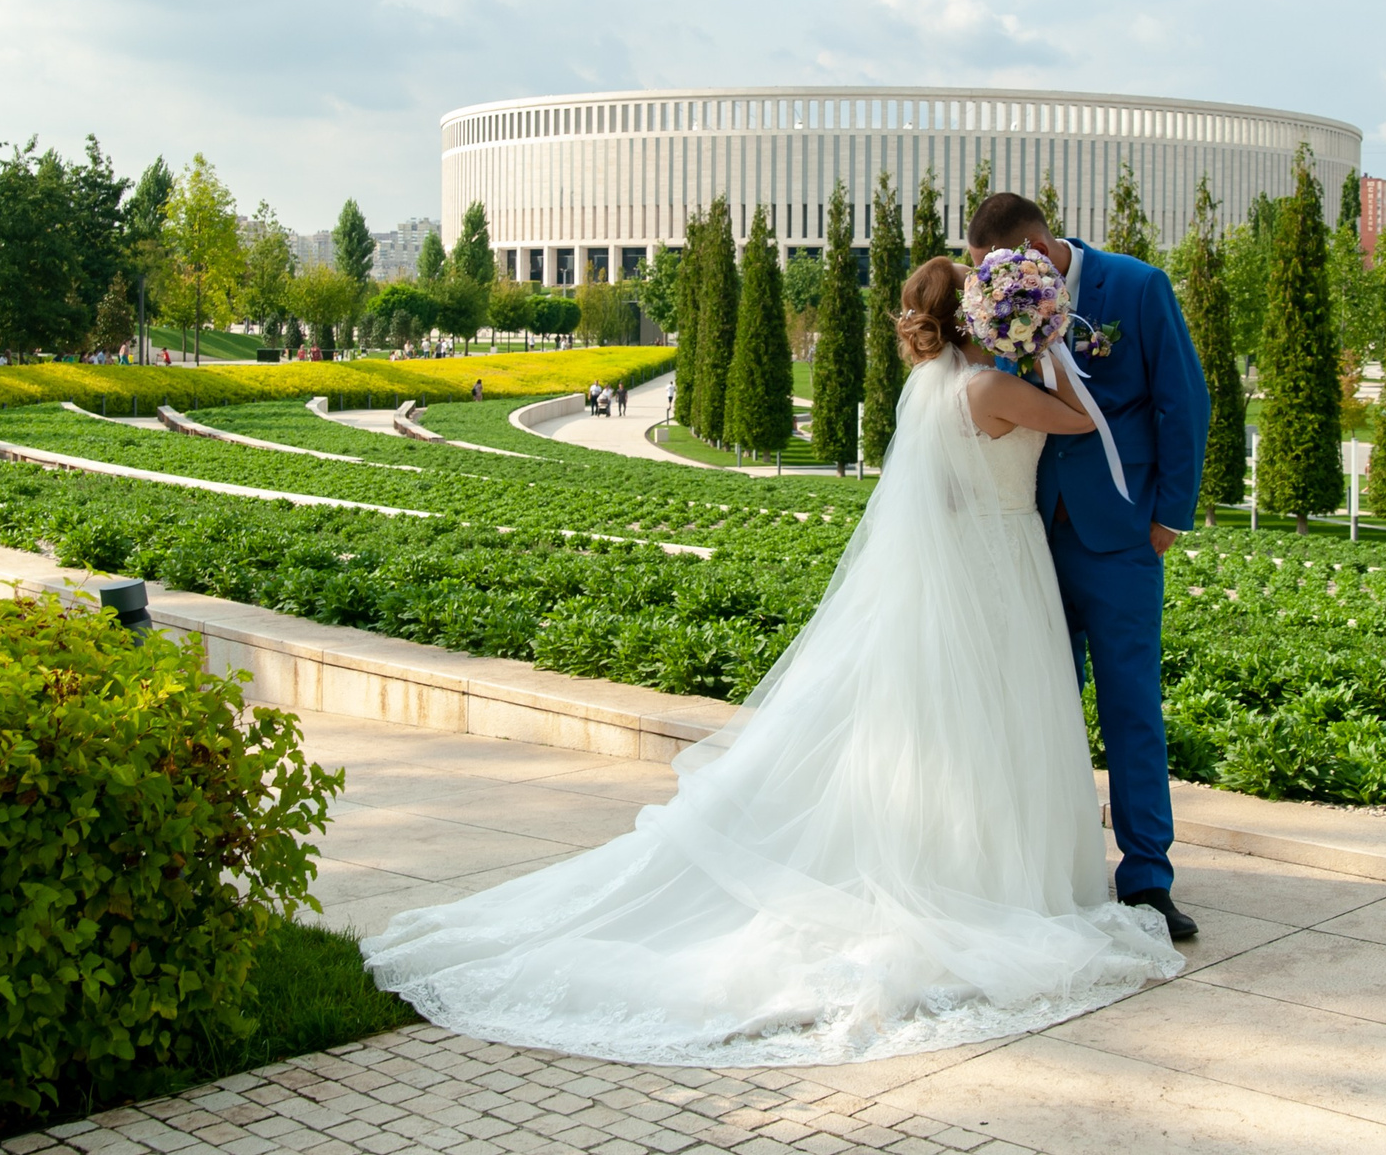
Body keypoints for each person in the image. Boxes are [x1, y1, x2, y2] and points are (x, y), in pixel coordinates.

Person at [364, 257, 1183, 1065]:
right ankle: (999, 877)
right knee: (1000, 723)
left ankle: (973, 859)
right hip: (1005, 569)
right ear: (969, 316)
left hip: (970, 568)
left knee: (960, 726)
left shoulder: (926, 389)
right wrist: (1045, 344)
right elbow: (1082, 418)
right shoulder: (996, 388)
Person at [964, 191, 1208, 944]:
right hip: (1034, 533)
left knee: (1132, 707)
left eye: (1000, 264)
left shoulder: (1136, 287)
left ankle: (1146, 877)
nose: (992, 279)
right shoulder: (997, 304)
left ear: (1037, 246)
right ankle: (1060, 869)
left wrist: (1168, 516)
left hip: (1126, 534)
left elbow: (1184, 401)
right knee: (1047, 705)